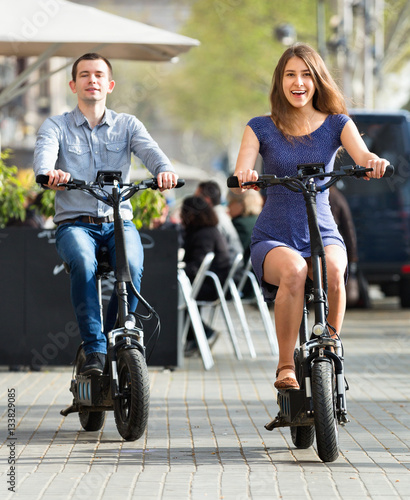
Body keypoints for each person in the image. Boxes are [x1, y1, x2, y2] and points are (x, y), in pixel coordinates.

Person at [231, 43, 390, 390]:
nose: (298, 82)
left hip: (323, 232)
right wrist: (245, 174)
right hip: (274, 236)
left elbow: (362, 153)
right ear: (280, 81)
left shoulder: (337, 123)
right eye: (290, 74)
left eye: (306, 74)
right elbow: (244, 162)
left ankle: (330, 341)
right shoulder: (260, 127)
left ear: (317, 81)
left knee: (333, 267)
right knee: (294, 270)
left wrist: (372, 163)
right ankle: (285, 365)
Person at [33, 53, 178, 375]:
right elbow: (44, 156)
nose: (92, 80)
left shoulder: (127, 124)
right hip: (75, 224)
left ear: (109, 84)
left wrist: (165, 171)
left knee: (134, 266)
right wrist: (49, 174)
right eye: (84, 75)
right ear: (73, 84)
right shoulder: (56, 125)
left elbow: (152, 153)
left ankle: (117, 335)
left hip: (118, 222)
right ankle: (95, 347)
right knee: (84, 263)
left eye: (98, 74)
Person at [180, 195, 231, 355]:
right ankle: (195, 338)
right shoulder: (207, 230)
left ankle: (204, 334)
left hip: (211, 285)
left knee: (174, 295)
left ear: (192, 214)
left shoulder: (204, 234)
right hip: (211, 282)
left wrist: (178, 270)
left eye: (183, 213)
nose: (181, 217)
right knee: (178, 292)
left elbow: (197, 265)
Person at [195, 181, 244, 265]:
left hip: (226, 269)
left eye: (196, 198)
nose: (194, 202)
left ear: (206, 200)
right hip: (232, 267)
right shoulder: (220, 214)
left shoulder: (214, 219)